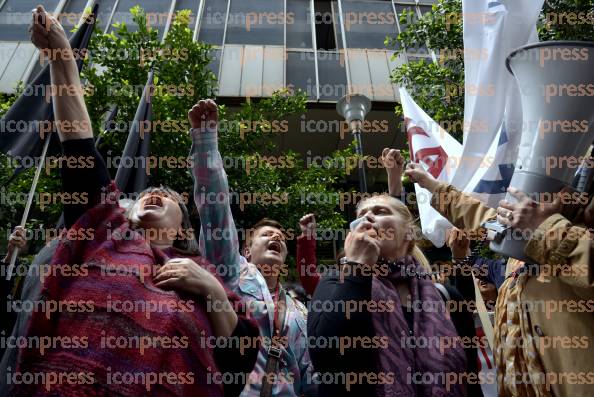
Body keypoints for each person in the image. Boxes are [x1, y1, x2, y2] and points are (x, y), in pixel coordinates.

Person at [15, 7, 258, 396]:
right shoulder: (103, 230)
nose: (152, 194)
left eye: (167, 197)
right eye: (145, 194)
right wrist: (62, 57)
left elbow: (237, 365)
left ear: (181, 228)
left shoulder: (207, 277)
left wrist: (210, 290)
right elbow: (78, 144)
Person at [405, 162, 594, 397]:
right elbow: (485, 218)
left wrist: (546, 230)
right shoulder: (525, 243)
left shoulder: (555, 235)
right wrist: (432, 185)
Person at [187, 100, 317, 396]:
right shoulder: (230, 274)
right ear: (245, 250)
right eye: (267, 234)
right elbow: (215, 208)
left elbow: (310, 370)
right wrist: (206, 140)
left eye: (282, 236)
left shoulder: (300, 309)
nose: (278, 238)